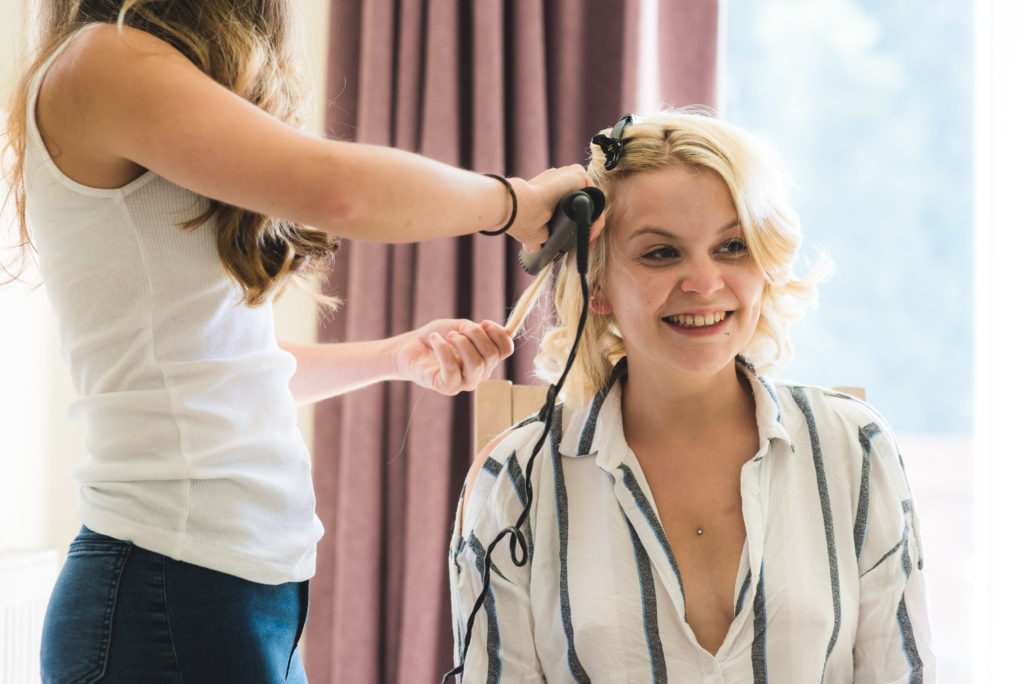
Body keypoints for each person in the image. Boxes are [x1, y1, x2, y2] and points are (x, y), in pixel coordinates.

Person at [1, 1, 594, 682]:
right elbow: (336, 192)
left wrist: (395, 356)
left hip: (228, 588)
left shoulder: (128, 70)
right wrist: (515, 203)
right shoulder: (103, 60)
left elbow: (222, 369)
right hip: (169, 588)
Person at [449, 109, 935, 682]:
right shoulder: (515, 479)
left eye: (732, 246)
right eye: (661, 253)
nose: (705, 283)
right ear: (596, 283)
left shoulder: (855, 446)